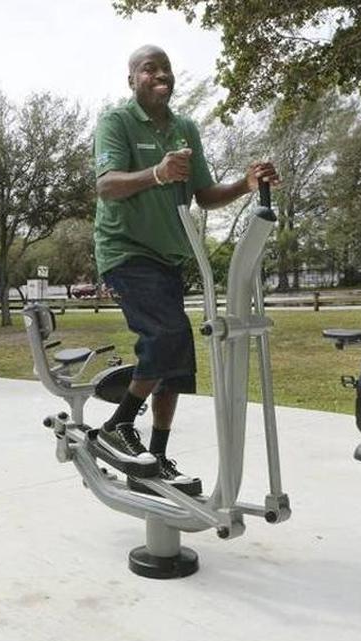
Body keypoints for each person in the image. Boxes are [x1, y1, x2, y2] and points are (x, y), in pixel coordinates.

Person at [93, 45, 279, 496]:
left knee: (175, 365)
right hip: (126, 250)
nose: (160, 75)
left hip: (171, 255)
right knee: (167, 336)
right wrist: (156, 173)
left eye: (166, 68)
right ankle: (117, 426)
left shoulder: (185, 129)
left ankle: (153, 458)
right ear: (132, 78)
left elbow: (205, 194)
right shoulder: (117, 121)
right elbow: (107, 185)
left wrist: (245, 185)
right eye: (148, 68)